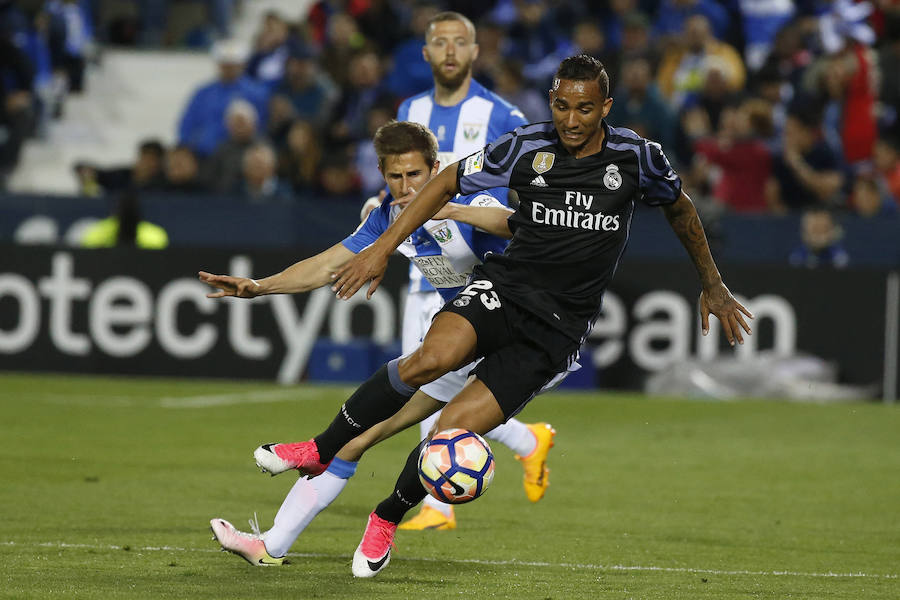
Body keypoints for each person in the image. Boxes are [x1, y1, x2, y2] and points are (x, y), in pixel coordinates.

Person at [254, 54, 750, 578]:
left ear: (606, 106)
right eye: (562, 106)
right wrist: (380, 250)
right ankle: (317, 448)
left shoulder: (637, 157)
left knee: (450, 431)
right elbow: (445, 182)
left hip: (558, 327)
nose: (572, 120)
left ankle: (386, 516)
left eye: (585, 108)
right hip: (506, 288)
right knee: (431, 358)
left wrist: (712, 283)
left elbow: (679, 206)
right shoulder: (526, 146)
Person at [203, 120, 553, 567]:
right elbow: (327, 264)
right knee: (356, 440)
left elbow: (516, 225)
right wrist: (259, 286)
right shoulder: (389, 217)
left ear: (436, 169)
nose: (406, 187)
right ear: (383, 176)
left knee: (443, 428)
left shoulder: (468, 197)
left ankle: (384, 518)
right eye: (395, 177)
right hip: (464, 340)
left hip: (518, 331)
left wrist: (449, 210)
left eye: (416, 176)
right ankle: (272, 546)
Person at [378, 10, 548, 532]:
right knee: (435, 388)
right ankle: (527, 441)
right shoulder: (411, 109)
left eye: (460, 43)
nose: (450, 51)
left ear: (475, 52)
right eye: (440, 43)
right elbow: (405, 182)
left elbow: (536, 176)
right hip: (423, 267)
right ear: (426, 53)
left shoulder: (500, 113)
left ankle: (438, 505)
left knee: (436, 387)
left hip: (477, 271)